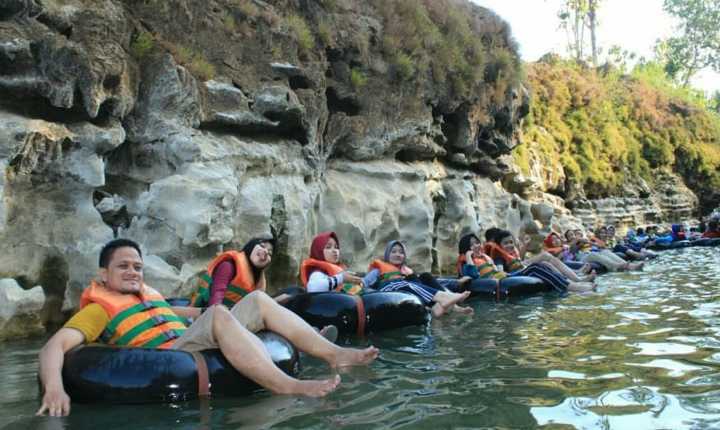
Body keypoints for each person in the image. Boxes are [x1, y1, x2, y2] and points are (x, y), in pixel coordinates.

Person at [37, 239, 379, 417]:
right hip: (173, 357)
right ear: (103, 275)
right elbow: (54, 346)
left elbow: (173, 312)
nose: (133, 272)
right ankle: (290, 386)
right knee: (217, 314)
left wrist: (198, 310)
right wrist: (55, 388)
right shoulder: (99, 309)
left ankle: (336, 355)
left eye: (137, 266)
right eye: (123, 266)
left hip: (187, 339)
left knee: (257, 302)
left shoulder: (149, 297)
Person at [366, 240, 473, 317]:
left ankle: (445, 306)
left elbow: (429, 283)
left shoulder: (405, 271)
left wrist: (456, 282)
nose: (398, 255)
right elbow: (365, 282)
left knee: (424, 277)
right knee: (407, 284)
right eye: (393, 252)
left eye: (401, 252)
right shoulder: (378, 270)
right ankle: (443, 299)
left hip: (404, 290)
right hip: (388, 289)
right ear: (387, 255)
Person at [467, 232, 594, 293]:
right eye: (506, 243)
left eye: (477, 243)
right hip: (507, 277)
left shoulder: (487, 257)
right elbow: (477, 273)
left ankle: (573, 282)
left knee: (545, 265)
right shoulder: (496, 257)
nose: (510, 245)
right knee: (536, 266)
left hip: (510, 274)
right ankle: (572, 287)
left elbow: (498, 266)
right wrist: (468, 255)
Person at [190, 238, 289, 307]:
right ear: (251, 246)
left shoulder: (257, 280)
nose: (265, 252)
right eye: (262, 246)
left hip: (234, 317)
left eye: (269, 253)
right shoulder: (229, 266)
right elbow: (216, 297)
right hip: (206, 315)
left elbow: (254, 306)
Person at [300, 232, 377, 294]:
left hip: (351, 297)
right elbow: (312, 288)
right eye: (328, 247)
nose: (335, 251)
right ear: (318, 251)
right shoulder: (317, 273)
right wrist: (341, 278)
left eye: (336, 247)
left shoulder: (337, 269)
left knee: (372, 277)